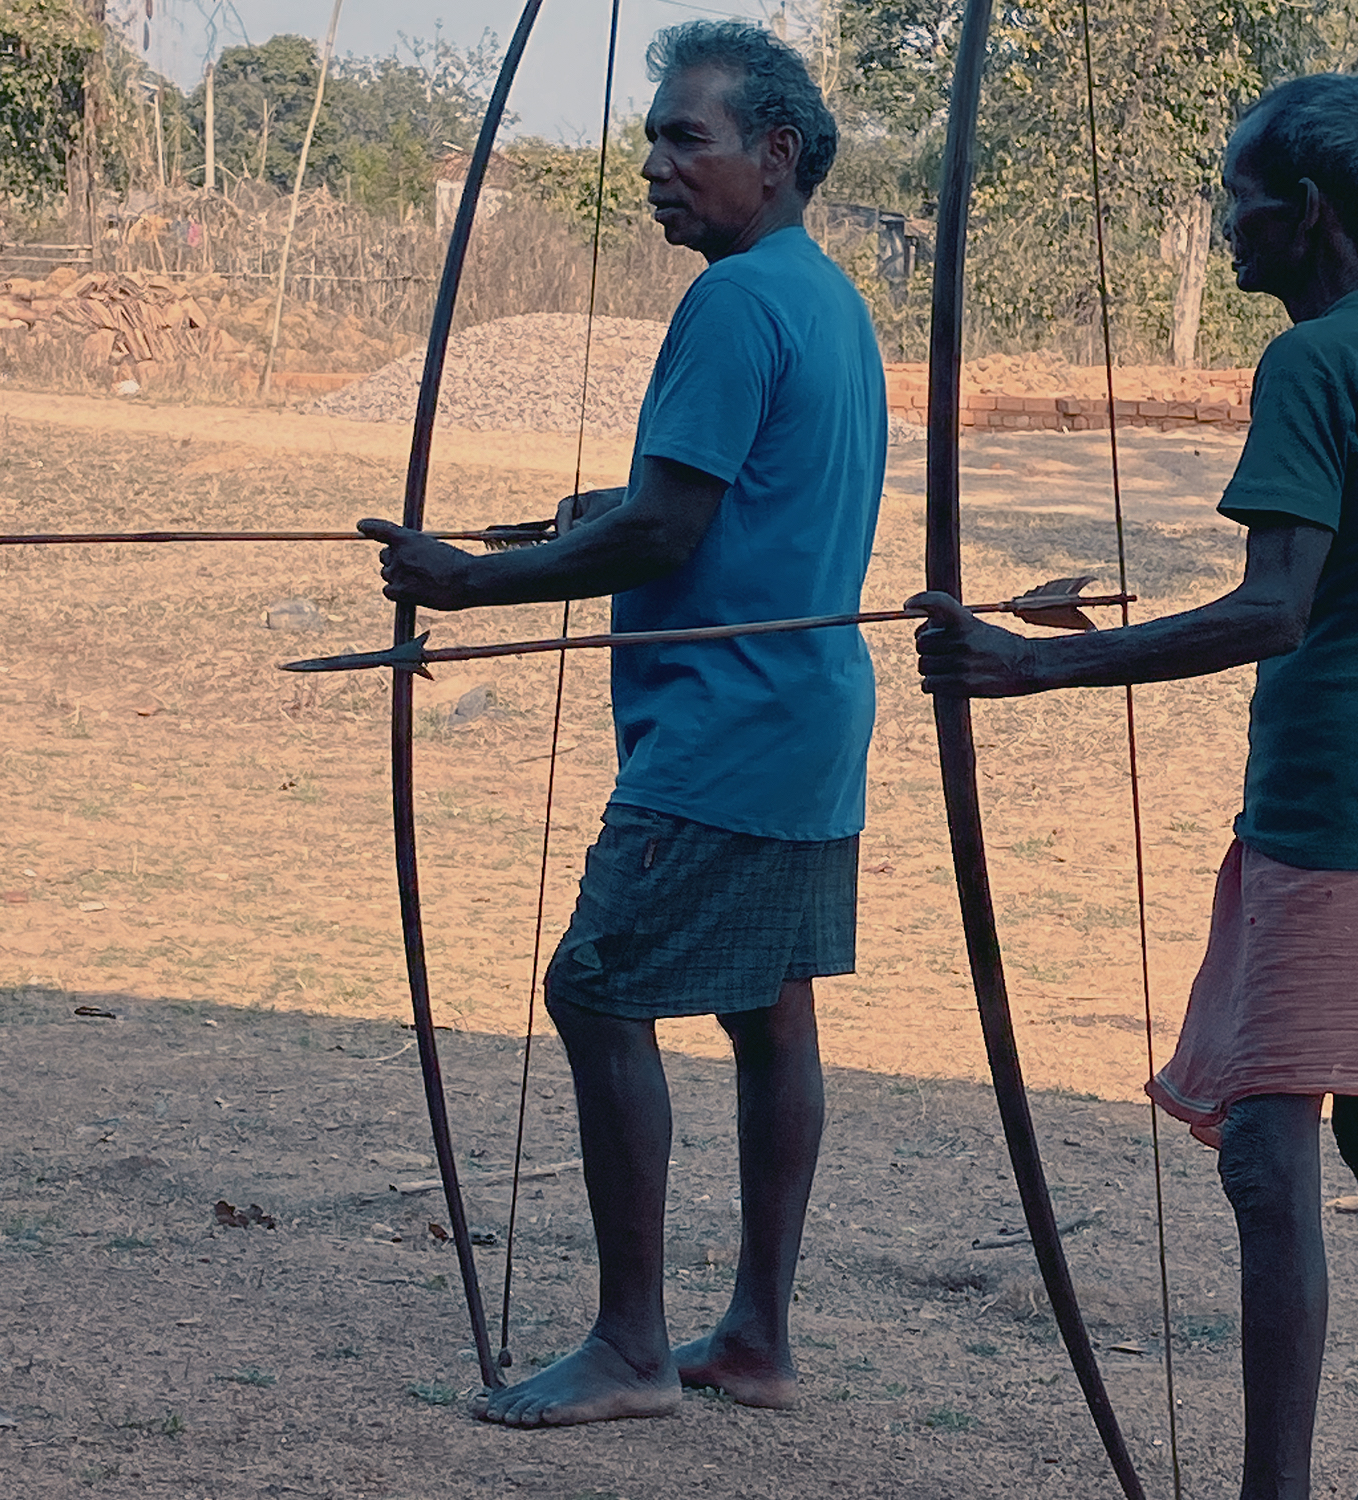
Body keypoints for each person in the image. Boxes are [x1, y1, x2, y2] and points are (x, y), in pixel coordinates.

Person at [912, 73, 1358, 1500]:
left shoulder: (1314, 364)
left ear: (1304, 213)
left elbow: (1270, 610)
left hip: (1342, 813)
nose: (1224, 223)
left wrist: (1037, 671)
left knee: (1272, 1154)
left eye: (1237, 197)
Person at [358, 21, 886, 1428]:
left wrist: (473, 581)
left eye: (686, 140)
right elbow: (725, 505)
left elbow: (671, 526)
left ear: (775, 157)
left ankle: (634, 1346)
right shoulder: (816, 293)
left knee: (597, 988)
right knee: (769, 1012)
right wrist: (596, 522)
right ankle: (757, 1338)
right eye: (653, 138)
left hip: (729, 726)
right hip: (809, 714)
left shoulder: (731, 304)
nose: (656, 166)